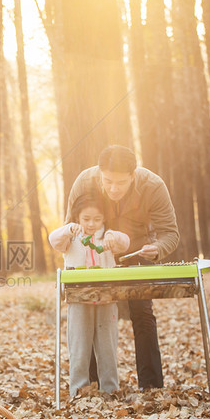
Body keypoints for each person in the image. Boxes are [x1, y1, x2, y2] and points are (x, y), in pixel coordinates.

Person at [65, 145, 179, 389]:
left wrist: (157, 248)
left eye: (121, 183)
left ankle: (151, 386)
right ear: (99, 174)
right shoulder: (84, 182)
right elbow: (70, 226)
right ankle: (92, 385)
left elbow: (170, 233)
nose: (113, 189)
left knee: (142, 313)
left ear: (133, 176)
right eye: (108, 182)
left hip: (136, 252)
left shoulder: (153, 186)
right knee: (90, 314)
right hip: (92, 256)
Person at [50, 192, 130, 396]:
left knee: (107, 346)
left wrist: (113, 236)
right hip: (79, 299)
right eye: (86, 219)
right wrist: (69, 229)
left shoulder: (109, 237)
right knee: (79, 346)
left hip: (106, 298)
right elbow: (54, 240)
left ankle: (110, 389)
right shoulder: (71, 236)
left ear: (104, 218)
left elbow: (125, 242)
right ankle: (77, 390)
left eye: (97, 219)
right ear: (77, 218)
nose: (91, 224)